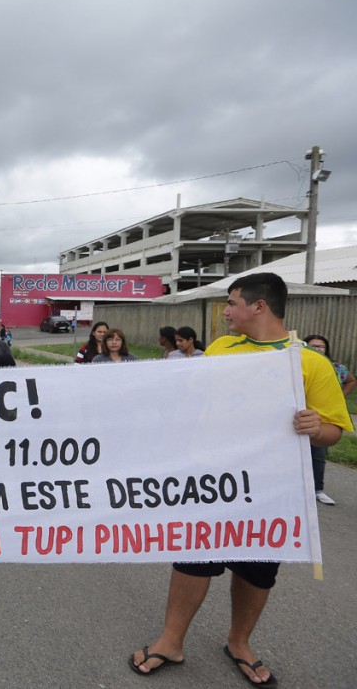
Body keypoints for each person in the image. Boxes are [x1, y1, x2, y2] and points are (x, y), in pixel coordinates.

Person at [129, 273, 353, 686]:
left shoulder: (310, 362)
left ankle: (239, 643)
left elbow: (333, 432)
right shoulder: (221, 348)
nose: (226, 312)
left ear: (259, 306)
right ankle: (171, 641)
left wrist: (315, 427)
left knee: (257, 569)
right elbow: (188, 399)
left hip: (272, 487)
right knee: (193, 560)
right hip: (212, 479)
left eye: (232, 303)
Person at [302, 334, 356, 506]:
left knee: (318, 455)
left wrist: (339, 396)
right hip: (299, 418)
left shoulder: (336, 368)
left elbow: (351, 381)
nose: (318, 349)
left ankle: (317, 490)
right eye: (313, 346)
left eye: (321, 346)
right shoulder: (299, 364)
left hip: (322, 420)